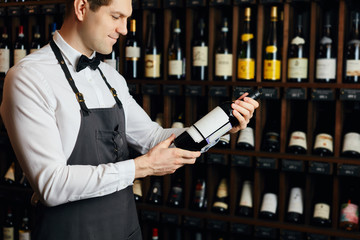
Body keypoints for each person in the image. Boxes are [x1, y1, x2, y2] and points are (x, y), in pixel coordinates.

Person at [0, 0, 259, 239]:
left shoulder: (111, 78)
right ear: (81, 8)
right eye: (116, 16)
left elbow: (153, 138)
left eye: (127, 19)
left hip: (125, 229)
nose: (124, 30)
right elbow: (51, 184)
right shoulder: (29, 78)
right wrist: (141, 167)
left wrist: (223, 124)